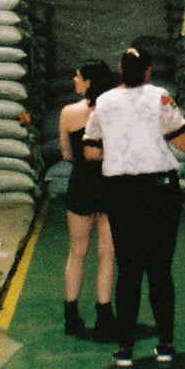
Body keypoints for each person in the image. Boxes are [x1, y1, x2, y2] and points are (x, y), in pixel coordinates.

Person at [83, 44, 185, 368]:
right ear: (147, 71)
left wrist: (120, 153)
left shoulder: (103, 103)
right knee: (159, 270)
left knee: (129, 271)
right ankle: (165, 345)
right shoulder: (159, 97)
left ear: (120, 70)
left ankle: (125, 349)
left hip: (120, 191)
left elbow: (90, 151)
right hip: (158, 192)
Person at [59, 59, 117, 341]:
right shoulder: (114, 111)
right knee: (107, 253)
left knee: (77, 252)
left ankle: (71, 315)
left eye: (78, 76)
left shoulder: (68, 113)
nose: (74, 80)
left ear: (89, 82)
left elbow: (68, 154)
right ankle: (104, 314)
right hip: (110, 185)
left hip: (81, 184)